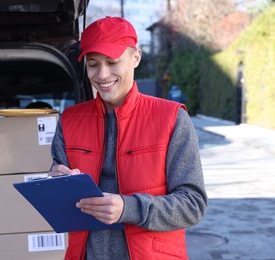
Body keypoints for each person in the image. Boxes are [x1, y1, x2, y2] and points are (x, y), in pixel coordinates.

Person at [49, 16, 207, 260]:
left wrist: (129, 209)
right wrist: (55, 181)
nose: (102, 75)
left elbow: (193, 205)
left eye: (112, 62)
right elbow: (59, 200)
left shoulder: (172, 118)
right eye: (93, 65)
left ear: (136, 58)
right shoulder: (69, 120)